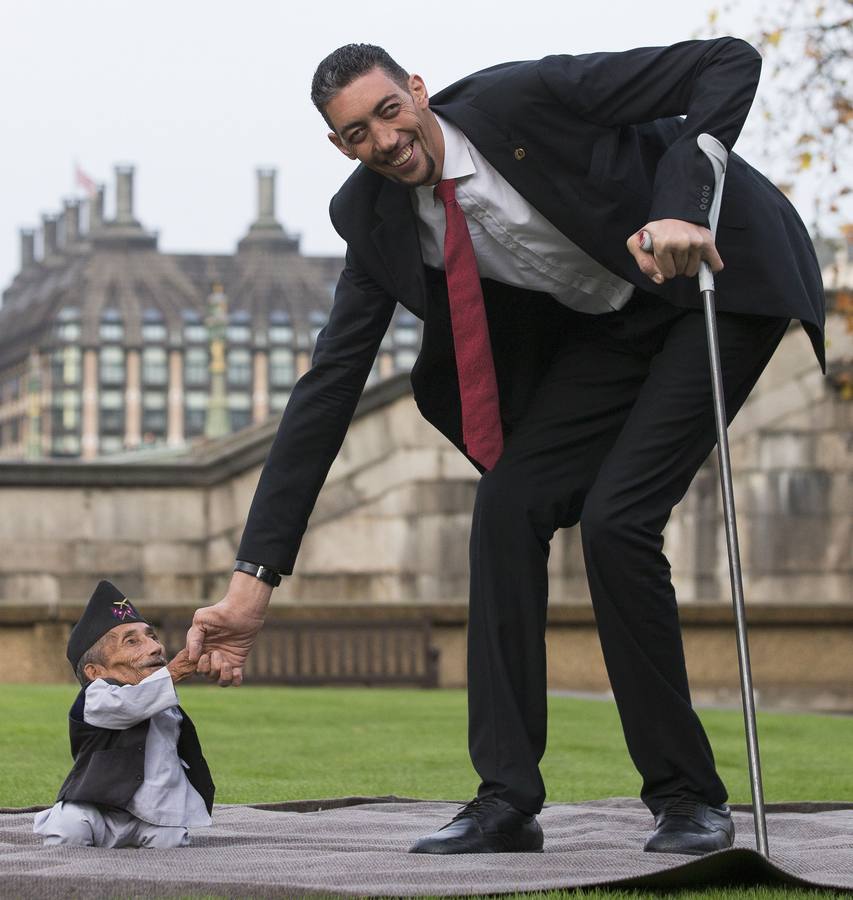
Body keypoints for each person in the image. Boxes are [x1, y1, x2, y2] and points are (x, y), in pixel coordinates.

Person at [186, 39, 825, 855]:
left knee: (616, 522)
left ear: (416, 92)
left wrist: (681, 204)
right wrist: (252, 585)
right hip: (616, 324)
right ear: (337, 146)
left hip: (720, 282)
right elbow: (326, 391)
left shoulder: (525, 98)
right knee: (506, 504)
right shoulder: (372, 219)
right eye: (356, 135)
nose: (383, 141)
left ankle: (687, 798)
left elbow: (727, 61)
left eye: (388, 112)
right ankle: (504, 802)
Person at [34, 581, 214, 848]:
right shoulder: (97, 697)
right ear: (95, 672)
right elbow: (128, 706)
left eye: (152, 636)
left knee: (172, 843)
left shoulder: (164, 703)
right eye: (132, 642)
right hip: (96, 808)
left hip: (152, 814)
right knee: (70, 827)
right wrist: (174, 673)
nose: (155, 648)